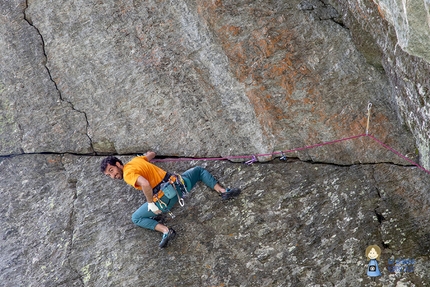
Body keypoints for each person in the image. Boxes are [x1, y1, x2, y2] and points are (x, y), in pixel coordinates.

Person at [100, 151, 241, 248]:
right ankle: (223, 191)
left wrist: (150, 204)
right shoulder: (136, 161)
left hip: (165, 199)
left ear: (119, 164)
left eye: (112, 170)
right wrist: (147, 154)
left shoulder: (128, 174)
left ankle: (166, 231)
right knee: (198, 171)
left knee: (136, 218)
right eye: (109, 175)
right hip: (179, 185)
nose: (112, 176)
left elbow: (145, 184)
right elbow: (151, 155)